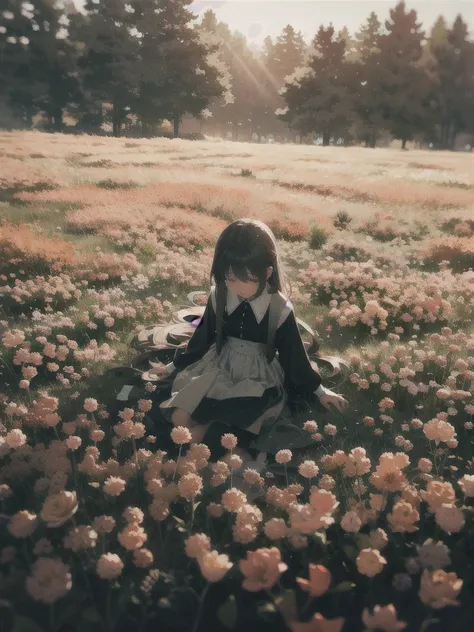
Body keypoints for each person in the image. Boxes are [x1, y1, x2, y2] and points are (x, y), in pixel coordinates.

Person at [150, 218, 349, 465]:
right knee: (180, 417)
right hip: (219, 366)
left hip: (256, 378)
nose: (237, 286)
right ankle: (205, 449)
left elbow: (294, 356)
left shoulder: (279, 308)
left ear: (267, 273)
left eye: (247, 278)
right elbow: (201, 340)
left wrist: (320, 391)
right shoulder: (220, 295)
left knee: (213, 431)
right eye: (230, 277)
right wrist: (172, 367)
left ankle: (212, 449)